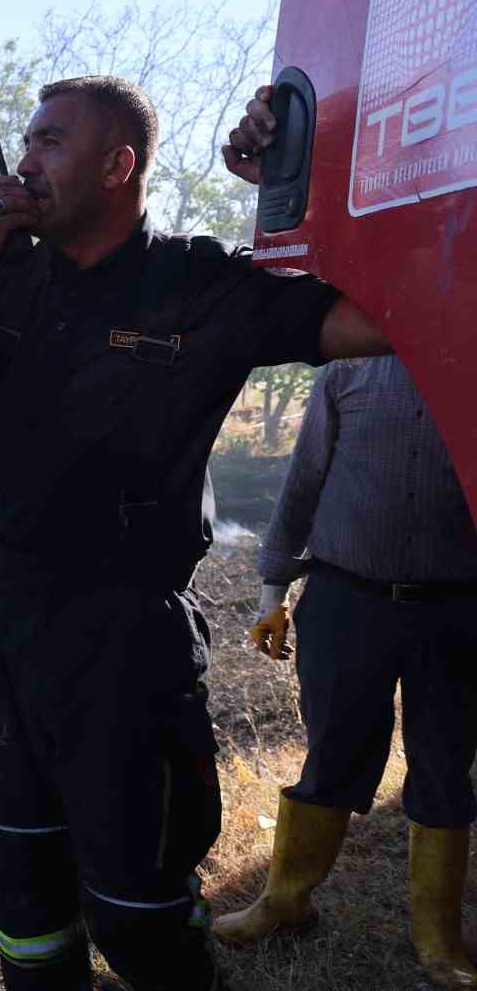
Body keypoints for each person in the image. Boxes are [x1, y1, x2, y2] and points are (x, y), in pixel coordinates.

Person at [0, 75, 389, 991]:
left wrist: (299, 186)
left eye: (53, 144)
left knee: (140, 920)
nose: (26, 160)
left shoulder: (200, 285)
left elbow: (388, 318)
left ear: (119, 166)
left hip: (125, 647)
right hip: (3, 628)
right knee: (28, 910)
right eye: (27, 140)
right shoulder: (8, 280)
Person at [208, 355, 477, 987]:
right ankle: (284, 902)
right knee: (333, 754)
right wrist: (272, 595)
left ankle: (437, 936)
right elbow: (303, 483)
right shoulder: (349, 370)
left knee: (444, 763)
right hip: (345, 601)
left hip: (457, 610)